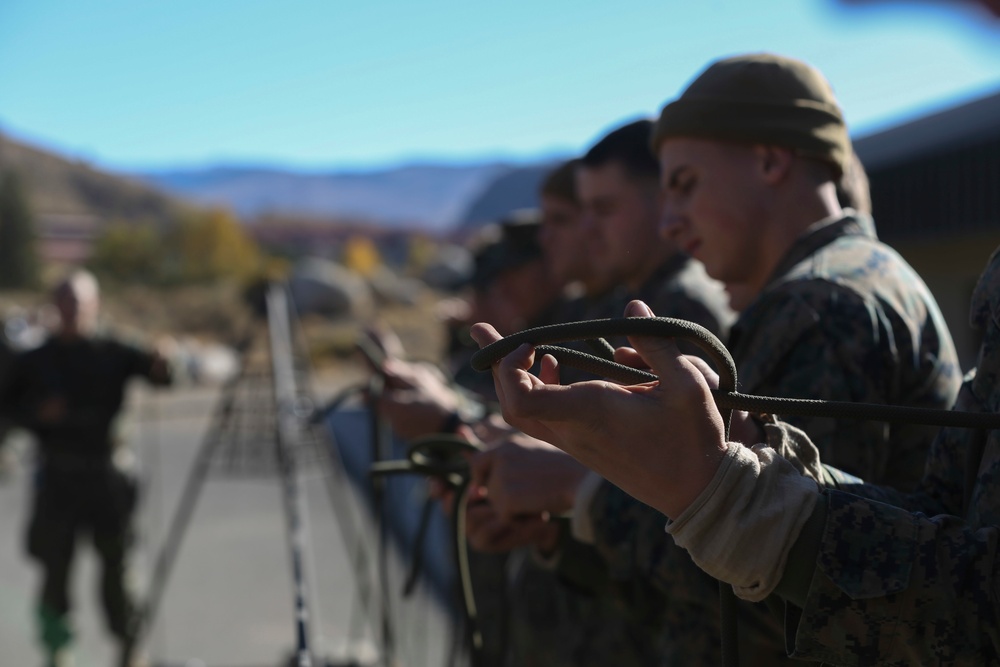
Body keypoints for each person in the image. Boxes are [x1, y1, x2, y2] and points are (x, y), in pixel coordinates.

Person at [471, 53, 962, 665]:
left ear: (769, 159)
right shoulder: (844, 284)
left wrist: (585, 493)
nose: (671, 222)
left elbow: (787, 595)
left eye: (685, 184)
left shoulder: (819, 305)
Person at [0, 270, 172, 667]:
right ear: (53, 306)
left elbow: (161, 374)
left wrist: (165, 360)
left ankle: (130, 648)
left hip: (107, 477)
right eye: (64, 302)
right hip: (58, 477)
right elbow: (6, 409)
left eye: (78, 303)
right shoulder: (34, 360)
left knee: (119, 570)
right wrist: (36, 414)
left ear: (94, 305)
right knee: (53, 570)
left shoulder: (114, 350)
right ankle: (57, 648)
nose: (71, 311)